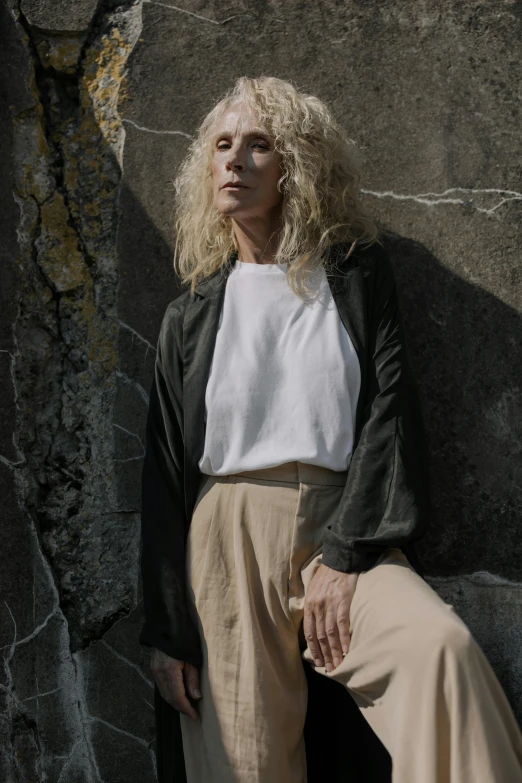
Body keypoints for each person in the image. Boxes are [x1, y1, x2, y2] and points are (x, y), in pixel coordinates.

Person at [139, 75, 522, 783]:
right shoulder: (188, 315)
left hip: (346, 523)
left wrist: (345, 556)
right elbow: (163, 476)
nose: (234, 160)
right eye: (223, 145)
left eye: (259, 145)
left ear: (294, 167)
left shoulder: (352, 275)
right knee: (242, 763)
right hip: (226, 536)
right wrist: (164, 633)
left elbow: (388, 411)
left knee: (441, 652)